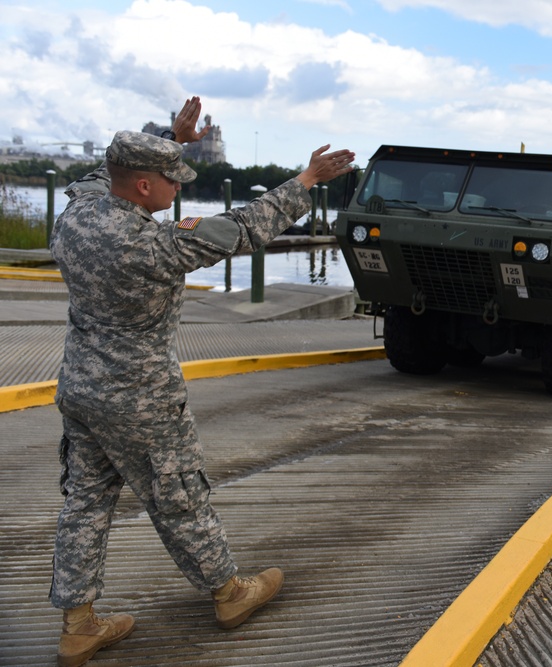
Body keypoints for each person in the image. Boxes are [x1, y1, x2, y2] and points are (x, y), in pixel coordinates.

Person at [48, 96, 355, 667]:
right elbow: (242, 229)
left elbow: (100, 174)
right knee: (179, 496)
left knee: (85, 503)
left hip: (81, 387)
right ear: (142, 187)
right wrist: (307, 179)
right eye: (172, 180)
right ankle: (228, 592)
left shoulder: (77, 214)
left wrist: (173, 139)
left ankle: (78, 624)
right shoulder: (152, 245)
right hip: (140, 397)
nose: (177, 189)